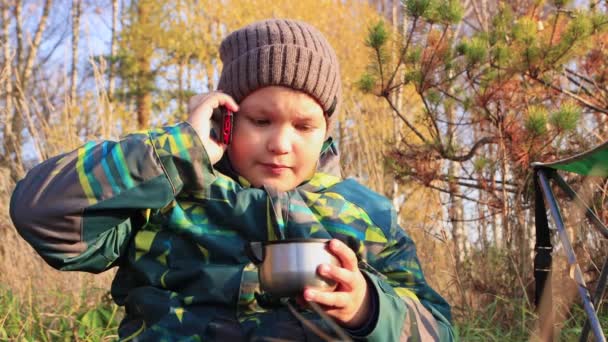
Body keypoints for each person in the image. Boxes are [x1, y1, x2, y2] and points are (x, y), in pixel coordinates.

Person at [10, 19, 455, 341]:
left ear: (327, 133)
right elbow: (40, 213)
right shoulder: (165, 196)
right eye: (260, 120)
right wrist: (180, 150)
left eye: (304, 127)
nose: (281, 144)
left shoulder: (366, 213)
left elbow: (441, 330)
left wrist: (369, 309)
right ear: (226, 117)